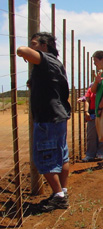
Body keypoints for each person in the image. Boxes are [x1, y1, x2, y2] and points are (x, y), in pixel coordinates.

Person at [17, 32, 71, 211]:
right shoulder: (56, 63)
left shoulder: (46, 59)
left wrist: (25, 52)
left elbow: (21, 50)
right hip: (58, 116)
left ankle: (59, 196)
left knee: (44, 157)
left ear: (44, 46)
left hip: (48, 118)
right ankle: (62, 190)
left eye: (34, 44)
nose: (31, 47)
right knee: (61, 155)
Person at [79, 83, 103, 162]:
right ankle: (90, 154)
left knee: (102, 134)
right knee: (91, 134)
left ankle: (101, 153)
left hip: (102, 114)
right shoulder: (91, 88)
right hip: (92, 114)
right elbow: (87, 100)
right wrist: (86, 111)